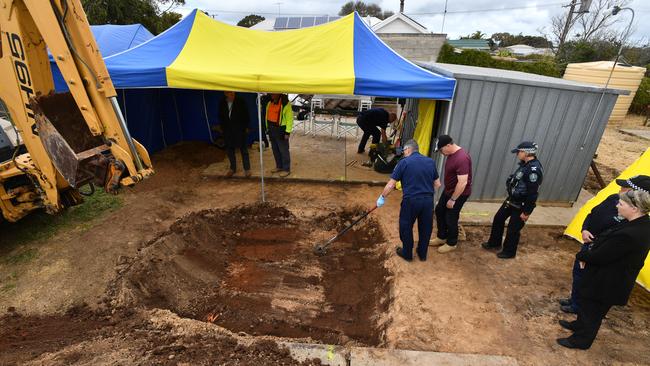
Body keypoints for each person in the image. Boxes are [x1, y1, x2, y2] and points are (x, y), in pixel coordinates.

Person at [556, 187, 650, 350]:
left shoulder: (630, 234)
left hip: (608, 281)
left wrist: (582, 256)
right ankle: (579, 325)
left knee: (592, 312)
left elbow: (602, 256)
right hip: (607, 276)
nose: (617, 206)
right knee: (587, 306)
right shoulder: (640, 223)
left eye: (621, 204)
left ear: (634, 208)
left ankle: (580, 341)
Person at [375, 139, 441, 262]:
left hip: (411, 201)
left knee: (405, 226)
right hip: (427, 201)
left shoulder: (403, 163)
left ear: (408, 149)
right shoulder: (430, 162)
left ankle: (407, 253)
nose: (404, 153)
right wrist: (426, 192)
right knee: (426, 227)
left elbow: (390, 185)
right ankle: (422, 253)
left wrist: (382, 197)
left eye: (404, 150)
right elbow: (437, 184)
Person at [481, 141, 543, 259]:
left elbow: (533, 193)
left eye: (519, 152)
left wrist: (527, 212)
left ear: (527, 153)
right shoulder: (525, 164)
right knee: (498, 218)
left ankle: (509, 252)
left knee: (513, 229)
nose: (517, 154)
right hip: (512, 200)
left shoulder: (533, 170)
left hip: (522, 204)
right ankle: (494, 243)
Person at [430, 135, 473, 254]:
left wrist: (453, 199)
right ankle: (441, 237)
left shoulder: (462, 158)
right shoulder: (451, 154)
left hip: (459, 193)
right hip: (449, 190)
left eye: (441, 150)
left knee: (451, 216)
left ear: (448, 145)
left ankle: (451, 242)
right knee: (439, 210)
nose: (441, 153)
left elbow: (463, 182)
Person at [218, 91, 251, 178]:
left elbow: (246, 115)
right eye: (230, 93)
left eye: (233, 93)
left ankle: (247, 169)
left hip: (240, 129)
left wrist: (246, 127)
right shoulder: (222, 102)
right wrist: (222, 127)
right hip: (228, 130)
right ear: (225, 93)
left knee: (243, 150)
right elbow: (221, 116)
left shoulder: (240, 101)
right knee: (229, 150)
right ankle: (232, 168)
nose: (232, 95)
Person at [265, 93, 293, 177]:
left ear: (279, 93)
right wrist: (267, 128)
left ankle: (286, 169)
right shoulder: (269, 103)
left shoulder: (285, 103)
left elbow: (289, 118)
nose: (272, 95)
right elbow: (267, 116)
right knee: (275, 149)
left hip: (281, 129)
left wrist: (287, 132)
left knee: (283, 150)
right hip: (271, 129)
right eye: (271, 93)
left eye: (274, 93)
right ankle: (279, 166)